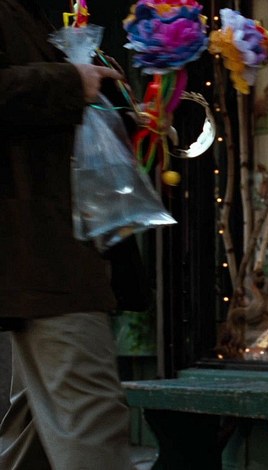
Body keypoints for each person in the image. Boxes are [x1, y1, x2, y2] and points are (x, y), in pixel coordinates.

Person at [0, 1, 134, 469]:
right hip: (41, 254)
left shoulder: (28, 11)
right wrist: (72, 82)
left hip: (48, 251)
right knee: (89, 423)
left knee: (41, 428)